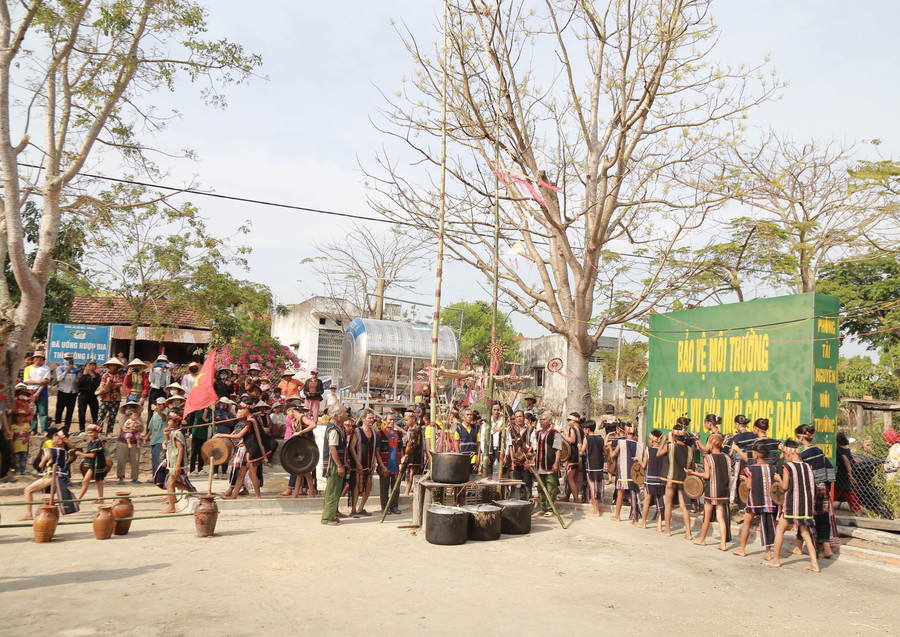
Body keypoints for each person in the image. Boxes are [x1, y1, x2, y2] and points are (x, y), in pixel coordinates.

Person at [765, 440, 820, 572]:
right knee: (805, 532)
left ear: (788, 454)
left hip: (791, 504)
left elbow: (784, 486)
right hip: (805, 505)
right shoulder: (807, 466)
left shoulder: (788, 467)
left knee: (780, 530)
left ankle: (776, 560)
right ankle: (815, 563)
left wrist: (778, 479)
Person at [794, 424, 836, 559]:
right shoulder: (819, 451)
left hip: (809, 490)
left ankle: (798, 547)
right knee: (823, 517)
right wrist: (827, 485)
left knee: (804, 517)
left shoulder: (803, 456)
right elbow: (829, 468)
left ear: (800, 437)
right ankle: (827, 548)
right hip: (823, 487)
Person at [733, 441, 777, 559]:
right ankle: (768, 553)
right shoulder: (772, 468)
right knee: (767, 525)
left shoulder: (751, 469)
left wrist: (744, 478)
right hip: (768, 502)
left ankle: (742, 549)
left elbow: (749, 486)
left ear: (756, 455)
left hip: (754, 500)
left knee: (747, 522)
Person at [687, 433, 730, 550]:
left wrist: (693, 473)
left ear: (712, 445)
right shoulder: (726, 458)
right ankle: (723, 543)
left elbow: (706, 475)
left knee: (707, 516)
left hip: (712, 490)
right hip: (723, 491)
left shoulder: (708, 458)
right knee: (720, 517)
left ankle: (702, 539)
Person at [16, 429, 71, 520]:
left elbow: (41, 464)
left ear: (59, 441)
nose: (51, 441)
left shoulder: (50, 451)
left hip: (50, 476)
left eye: (52, 439)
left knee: (28, 490)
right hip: (62, 476)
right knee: (51, 496)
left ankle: (29, 514)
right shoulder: (65, 452)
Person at [659, 419, 693, 539]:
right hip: (683, 480)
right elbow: (692, 466)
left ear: (674, 435)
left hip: (670, 479)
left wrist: (664, 442)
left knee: (668, 504)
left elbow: (658, 453)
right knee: (684, 507)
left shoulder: (670, 447)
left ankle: (668, 530)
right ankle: (688, 533)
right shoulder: (690, 450)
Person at [158, 411, 195, 513]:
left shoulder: (178, 433)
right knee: (172, 483)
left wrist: (178, 465)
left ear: (176, 422)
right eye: (168, 421)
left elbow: (180, 449)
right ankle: (189, 490)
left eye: (171, 421)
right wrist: (166, 436)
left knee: (170, 483)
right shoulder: (174, 432)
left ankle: (171, 507)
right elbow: (170, 443)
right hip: (172, 461)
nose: (168, 423)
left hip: (176, 462)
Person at [608, 423, 643, 523]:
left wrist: (610, 448)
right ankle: (635, 517)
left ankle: (617, 516)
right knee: (634, 494)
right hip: (635, 473)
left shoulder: (621, 443)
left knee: (620, 494)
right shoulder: (639, 444)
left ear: (626, 432)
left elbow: (612, 455)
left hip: (623, 471)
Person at [321, 404, 349, 526]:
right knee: (332, 492)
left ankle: (332, 514)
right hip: (333, 465)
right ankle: (327, 518)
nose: (347, 414)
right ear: (337, 415)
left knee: (336, 491)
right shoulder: (333, 429)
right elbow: (333, 449)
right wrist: (339, 465)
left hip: (337, 464)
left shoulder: (337, 428)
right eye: (344, 412)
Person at [530, 411, 562, 517]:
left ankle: (551, 508)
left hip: (550, 464)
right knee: (540, 487)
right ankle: (543, 507)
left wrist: (556, 462)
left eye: (544, 419)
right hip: (539, 465)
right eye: (541, 420)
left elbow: (558, 449)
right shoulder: (537, 433)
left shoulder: (555, 433)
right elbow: (535, 449)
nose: (542, 421)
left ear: (549, 421)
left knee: (551, 488)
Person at [723, 414, 756, 508]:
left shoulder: (736, 438)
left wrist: (728, 446)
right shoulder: (753, 435)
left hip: (740, 463)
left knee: (739, 483)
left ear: (737, 424)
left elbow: (728, 453)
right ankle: (750, 505)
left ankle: (742, 508)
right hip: (752, 463)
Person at [637, 428, 665, 530]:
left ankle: (644, 523)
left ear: (652, 440)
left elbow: (644, 465)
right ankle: (659, 525)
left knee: (647, 501)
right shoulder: (664, 451)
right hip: (661, 479)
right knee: (660, 501)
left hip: (649, 479)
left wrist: (638, 460)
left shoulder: (648, 450)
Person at [377, 412, 402, 514]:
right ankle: (385, 507)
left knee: (395, 488)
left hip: (396, 465)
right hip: (385, 464)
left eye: (393, 420)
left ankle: (394, 506)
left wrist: (402, 461)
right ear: (384, 421)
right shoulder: (380, 434)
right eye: (389, 420)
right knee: (384, 488)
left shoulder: (399, 434)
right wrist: (382, 465)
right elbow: (377, 451)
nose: (392, 422)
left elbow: (401, 449)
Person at [76, 424, 108, 502]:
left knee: (86, 481)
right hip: (94, 465)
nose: (90, 434)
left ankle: (78, 499)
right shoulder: (92, 442)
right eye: (89, 433)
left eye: (92, 433)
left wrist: (81, 454)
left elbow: (92, 455)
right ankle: (101, 499)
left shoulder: (97, 443)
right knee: (98, 482)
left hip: (96, 464)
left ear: (97, 433)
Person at [354, 409, 378, 516]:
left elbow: (374, 448)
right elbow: (351, 448)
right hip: (359, 462)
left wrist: (374, 462)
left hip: (369, 463)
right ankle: (353, 509)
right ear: (363, 419)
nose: (372, 420)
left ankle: (361, 508)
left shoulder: (373, 432)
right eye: (369, 418)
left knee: (368, 486)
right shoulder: (357, 431)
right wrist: (357, 462)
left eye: (373, 418)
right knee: (356, 486)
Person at [580, 420, 605, 517]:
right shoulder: (600, 438)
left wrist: (580, 447)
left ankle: (596, 510)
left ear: (587, 429)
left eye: (584, 429)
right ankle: (596, 508)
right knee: (597, 487)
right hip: (599, 466)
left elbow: (581, 452)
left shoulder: (587, 438)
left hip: (591, 466)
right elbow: (605, 452)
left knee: (593, 488)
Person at [509, 410, 535, 502]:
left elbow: (533, 443)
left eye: (521, 416)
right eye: (517, 417)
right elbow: (510, 445)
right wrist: (512, 459)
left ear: (524, 417)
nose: (519, 418)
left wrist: (528, 453)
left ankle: (528, 504)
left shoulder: (530, 429)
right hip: (516, 461)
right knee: (517, 484)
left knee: (527, 483)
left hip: (526, 460)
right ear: (515, 419)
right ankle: (518, 504)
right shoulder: (511, 430)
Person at [24, 350, 51, 433]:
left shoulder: (46, 368)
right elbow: (26, 381)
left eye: (40, 358)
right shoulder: (28, 368)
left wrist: (38, 392)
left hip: (42, 391)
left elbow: (46, 381)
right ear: (33, 359)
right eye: (36, 358)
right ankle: (33, 429)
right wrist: (39, 382)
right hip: (30, 391)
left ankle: (44, 430)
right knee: (32, 412)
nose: (38, 360)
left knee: (43, 412)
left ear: (43, 359)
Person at [96, 358, 125, 435]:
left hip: (116, 399)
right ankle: (99, 432)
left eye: (114, 365)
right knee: (101, 416)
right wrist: (107, 387)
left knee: (112, 417)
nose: (112, 367)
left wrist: (111, 385)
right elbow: (102, 385)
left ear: (117, 366)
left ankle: (109, 432)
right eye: (111, 365)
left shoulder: (120, 375)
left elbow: (120, 384)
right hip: (105, 398)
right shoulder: (105, 375)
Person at [115, 402, 142, 484]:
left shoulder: (139, 418)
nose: (131, 408)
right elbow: (123, 428)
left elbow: (142, 428)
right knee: (121, 460)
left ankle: (135, 477)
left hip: (134, 441)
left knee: (135, 460)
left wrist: (136, 429)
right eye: (129, 407)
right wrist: (130, 430)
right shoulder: (123, 417)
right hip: (123, 441)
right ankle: (121, 477)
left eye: (133, 407)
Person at [834, 431, 861, 514]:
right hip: (845, 474)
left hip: (844, 475)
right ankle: (858, 511)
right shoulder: (846, 449)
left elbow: (846, 461)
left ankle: (827, 509)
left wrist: (849, 474)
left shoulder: (839, 450)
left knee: (836, 492)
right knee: (851, 494)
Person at [561, 412, 584, 503]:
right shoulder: (581, 429)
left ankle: (576, 498)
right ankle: (567, 496)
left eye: (569, 420)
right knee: (575, 479)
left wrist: (562, 435)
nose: (568, 422)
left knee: (570, 478)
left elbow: (572, 440)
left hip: (574, 456)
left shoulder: (573, 428)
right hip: (579, 456)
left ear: (574, 421)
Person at [401, 409, 424, 496]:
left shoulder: (416, 429)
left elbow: (416, 442)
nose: (406, 422)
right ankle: (411, 490)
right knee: (410, 473)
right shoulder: (411, 429)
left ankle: (407, 491)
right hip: (411, 453)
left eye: (407, 420)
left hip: (415, 454)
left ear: (413, 419)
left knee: (412, 473)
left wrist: (408, 444)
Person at [55, 352, 79, 431]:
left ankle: (67, 429)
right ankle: (57, 428)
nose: (68, 360)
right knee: (59, 410)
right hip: (62, 391)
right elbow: (59, 379)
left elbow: (77, 381)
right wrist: (66, 371)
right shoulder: (60, 368)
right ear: (63, 359)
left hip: (72, 392)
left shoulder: (76, 369)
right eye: (66, 359)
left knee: (70, 412)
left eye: (70, 359)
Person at [76, 359, 101, 433]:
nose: (92, 366)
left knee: (95, 412)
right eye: (90, 365)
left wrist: (94, 377)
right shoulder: (81, 373)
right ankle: (82, 430)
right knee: (81, 412)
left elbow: (98, 385)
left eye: (93, 365)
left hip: (93, 395)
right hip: (83, 394)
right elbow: (78, 384)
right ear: (86, 365)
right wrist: (84, 374)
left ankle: (95, 429)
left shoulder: (97, 375)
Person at [145, 397, 168, 478]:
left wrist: (157, 410)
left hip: (162, 439)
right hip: (154, 439)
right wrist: (147, 436)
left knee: (156, 454)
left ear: (164, 405)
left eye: (160, 404)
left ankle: (159, 475)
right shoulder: (155, 414)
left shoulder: (166, 412)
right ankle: (155, 475)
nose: (158, 406)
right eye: (157, 404)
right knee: (154, 457)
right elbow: (151, 427)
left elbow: (164, 417)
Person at [454, 407, 481, 475]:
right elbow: (456, 444)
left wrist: (478, 459)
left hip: (473, 459)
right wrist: (459, 457)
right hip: (463, 459)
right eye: (467, 415)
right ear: (463, 417)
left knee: (473, 480)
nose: (469, 416)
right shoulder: (459, 428)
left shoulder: (476, 428)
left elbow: (479, 444)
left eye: (471, 415)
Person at [10, 405, 31, 477]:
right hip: (16, 446)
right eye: (19, 416)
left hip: (24, 446)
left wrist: (27, 439)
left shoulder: (26, 425)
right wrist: (11, 445)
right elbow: (11, 437)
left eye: (22, 416)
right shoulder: (13, 426)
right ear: (15, 417)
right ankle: (18, 470)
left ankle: (23, 469)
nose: (21, 418)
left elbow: (29, 433)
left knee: (24, 458)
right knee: (16, 459)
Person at [147, 354, 171, 419]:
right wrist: (151, 370)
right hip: (155, 390)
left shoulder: (168, 372)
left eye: (164, 361)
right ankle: (150, 427)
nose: (162, 363)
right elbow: (150, 380)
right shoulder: (155, 370)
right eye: (160, 361)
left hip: (163, 391)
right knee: (152, 408)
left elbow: (168, 382)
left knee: (163, 408)